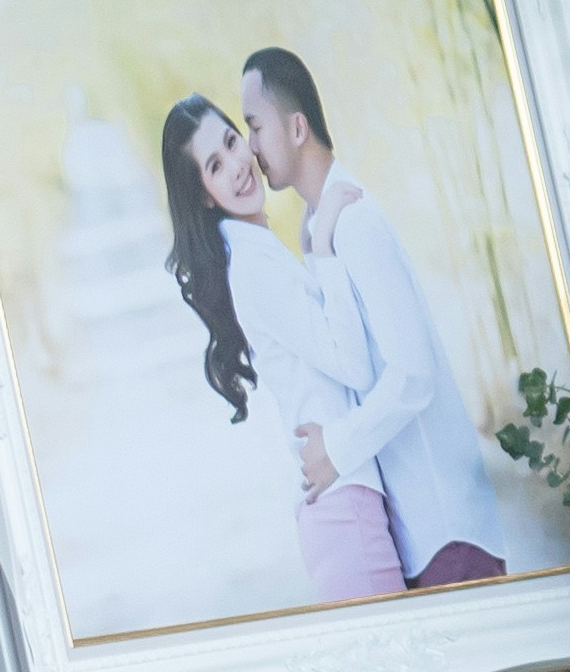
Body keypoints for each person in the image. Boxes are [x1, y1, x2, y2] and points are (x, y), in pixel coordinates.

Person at [246, 44, 519, 590]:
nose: (251, 147)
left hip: (448, 533)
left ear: (296, 127)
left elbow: (412, 375)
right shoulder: (321, 228)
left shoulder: (355, 222)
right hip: (418, 536)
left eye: (255, 127)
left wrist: (336, 450)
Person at [163, 91, 406, 602]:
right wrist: (324, 246)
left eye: (232, 142)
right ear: (204, 194)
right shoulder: (253, 267)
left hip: (344, 508)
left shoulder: (256, 252)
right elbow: (353, 366)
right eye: (214, 164)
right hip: (346, 511)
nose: (237, 166)